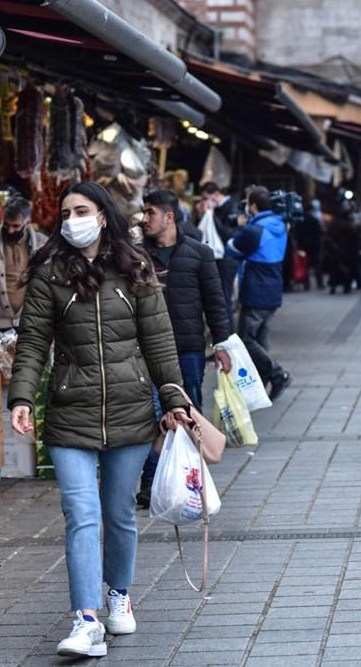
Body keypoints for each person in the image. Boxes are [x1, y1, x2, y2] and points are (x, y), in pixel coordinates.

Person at [8, 181, 190, 659]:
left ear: (103, 216)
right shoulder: (50, 272)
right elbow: (30, 342)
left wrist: (172, 395)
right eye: (65, 213)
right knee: (81, 514)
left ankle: (118, 593)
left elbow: (159, 339)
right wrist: (21, 396)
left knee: (119, 512)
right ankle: (86, 621)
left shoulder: (135, 268)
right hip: (70, 413)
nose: (72, 219)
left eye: (81, 210)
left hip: (130, 410)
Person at [136, 189, 233, 508]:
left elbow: (216, 302)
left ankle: (192, 478)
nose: (144, 218)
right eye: (143, 212)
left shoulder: (199, 254)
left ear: (169, 217)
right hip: (145, 350)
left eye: (150, 212)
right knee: (152, 417)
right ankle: (152, 482)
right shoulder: (136, 256)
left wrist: (222, 343)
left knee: (188, 413)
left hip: (187, 348)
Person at [228, 186, 291, 400]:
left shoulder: (254, 230)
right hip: (273, 288)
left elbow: (232, 249)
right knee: (261, 339)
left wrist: (240, 227)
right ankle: (263, 383)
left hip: (256, 290)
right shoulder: (279, 224)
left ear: (253, 206)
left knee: (246, 339)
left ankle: (277, 373)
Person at [0, 195, 48, 331]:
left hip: (31, 322)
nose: (10, 230)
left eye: (16, 226)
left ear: (27, 224)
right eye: (7, 225)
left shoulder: (42, 244)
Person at [199, 182, 239, 318]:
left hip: (227, 259)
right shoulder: (217, 209)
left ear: (216, 194)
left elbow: (228, 235)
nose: (205, 202)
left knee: (224, 297)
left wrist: (211, 215)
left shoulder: (231, 208)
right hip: (218, 258)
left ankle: (228, 334)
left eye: (206, 198)